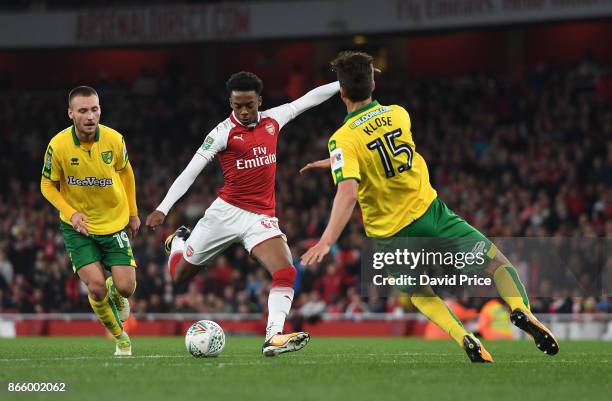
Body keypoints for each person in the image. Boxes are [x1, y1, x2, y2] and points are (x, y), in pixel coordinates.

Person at [300, 51, 559, 363]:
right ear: (373, 84)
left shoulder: (341, 139)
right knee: (498, 265)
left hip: (391, 235)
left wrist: (327, 239)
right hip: (432, 216)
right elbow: (382, 147)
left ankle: (463, 337)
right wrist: (335, 161)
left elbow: (349, 191)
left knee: (420, 292)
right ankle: (520, 310)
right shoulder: (399, 114)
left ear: (341, 91)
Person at [145, 72, 339, 356]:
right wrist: (163, 208)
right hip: (224, 214)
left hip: (259, 218)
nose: (244, 111)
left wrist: (343, 83)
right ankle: (178, 242)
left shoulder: (275, 118)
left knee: (285, 270)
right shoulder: (221, 132)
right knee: (179, 276)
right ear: (231, 104)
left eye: (250, 104)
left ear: (259, 100)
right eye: (238, 106)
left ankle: (273, 336)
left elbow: (309, 99)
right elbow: (191, 171)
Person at [40, 86, 139, 356]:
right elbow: (47, 185)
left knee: (126, 288)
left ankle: (114, 289)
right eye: (83, 110)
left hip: (114, 222)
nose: (89, 116)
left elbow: (126, 173)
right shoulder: (58, 145)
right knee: (95, 288)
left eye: (94, 109)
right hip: (77, 227)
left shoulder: (114, 140)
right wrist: (72, 214)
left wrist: (132, 212)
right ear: (71, 113)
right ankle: (121, 339)